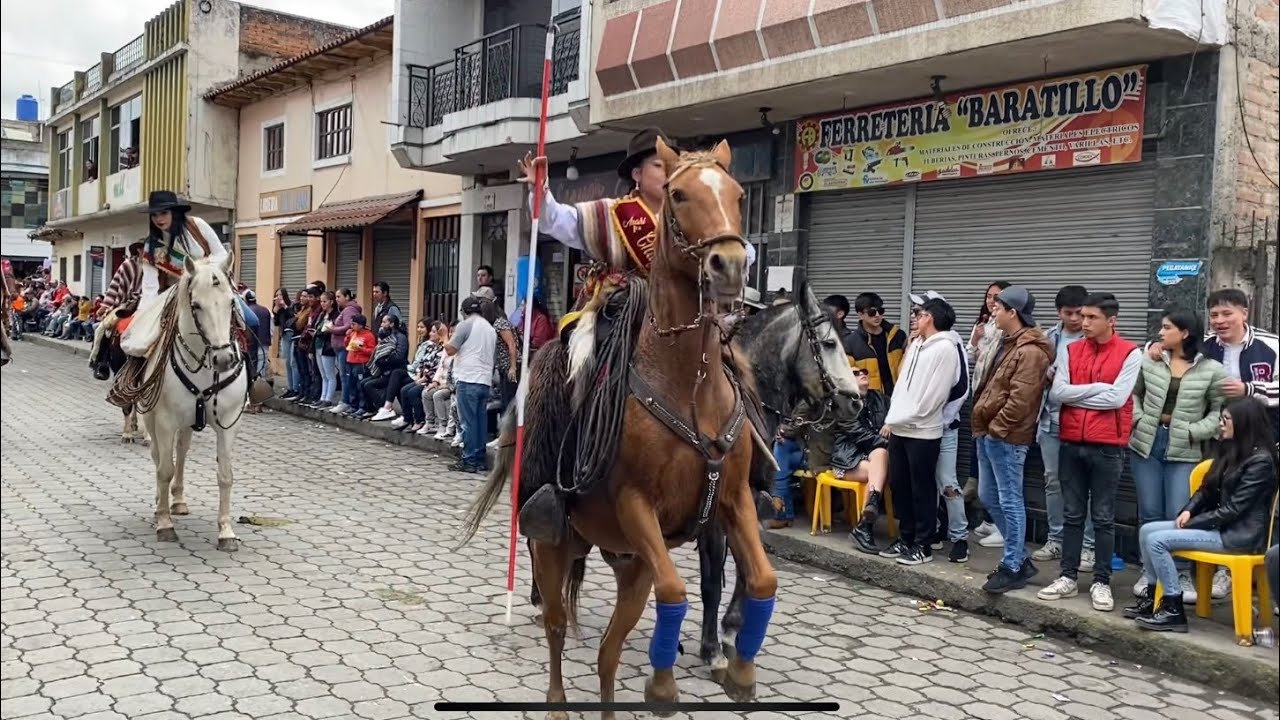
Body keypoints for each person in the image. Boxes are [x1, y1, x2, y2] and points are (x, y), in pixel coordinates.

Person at [1124, 398, 1277, 632]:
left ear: (1243, 424)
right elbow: (1206, 489)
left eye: (1226, 420)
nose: (1221, 425)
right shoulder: (1231, 450)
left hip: (1237, 537)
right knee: (1147, 531)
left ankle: (1173, 608)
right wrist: (1188, 510)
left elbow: (1234, 510)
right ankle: (1153, 599)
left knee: (1158, 541)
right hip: (1219, 527)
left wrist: (1194, 523)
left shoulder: (1261, 462)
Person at [1039, 293, 1141, 612]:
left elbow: (1118, 399)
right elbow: (1058, 393)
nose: (1084, 323)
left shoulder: (1130, 353)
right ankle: (1067, 576)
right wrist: (1098, 389)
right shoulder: (1071, 350)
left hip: (1108, 445)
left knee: (1103, 516)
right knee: (1072, 514)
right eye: (1082, 316)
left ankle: (1101, 581)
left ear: (1111, 320)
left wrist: (1079, 396)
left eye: (1092, 317)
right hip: (1071, 440)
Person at [1129, 308, 1226, 601]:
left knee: (1178, 514)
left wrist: (1192, 431)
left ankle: (1181, 572)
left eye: (1167, 327)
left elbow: (1218, 412)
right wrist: (1138, 420)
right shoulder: (1151, 361)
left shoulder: (1211, 369)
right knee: (1149, 512)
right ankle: (1150, 573)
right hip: (1147, 444)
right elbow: (1133, 394)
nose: (1160, 332)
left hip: (1184, 450)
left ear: (1185, 333)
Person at [971, 287, 1054, 593]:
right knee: (989, 495)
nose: (993, 310)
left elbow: (1022, 400)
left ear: (1013, 313)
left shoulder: (1030, 351)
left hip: (1005, 437)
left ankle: (1012, 566)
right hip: (987, 432)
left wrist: (998, 428)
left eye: (999, 306)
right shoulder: (1005, 342)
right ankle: (1019, 557)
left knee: (1009, 500)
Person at [880, 296, 961, 565]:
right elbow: (902, 385)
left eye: (919, 313)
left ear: (931, 318)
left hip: (923, 431)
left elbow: (935, 396)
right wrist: (893, 418)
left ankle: (923, 544)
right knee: (899, 485)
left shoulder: (946, 348)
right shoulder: (916, 344)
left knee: (922, 489)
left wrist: (907, 416)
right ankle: (906, 538)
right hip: (900, 427)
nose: (914, 317)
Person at [1032, 285, 1094, 569]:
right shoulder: (1048, 338)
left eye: (1080, 314)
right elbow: (1033, 379)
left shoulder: (1095, 338)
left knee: (1086, 485)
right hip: (1050, 420)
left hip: (1083, 422)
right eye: (1069, 313)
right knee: (1053, 481)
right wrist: (1045, 376)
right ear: (1059, 312)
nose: (1075, 320)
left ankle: (1088, 545)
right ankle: (1056, 540)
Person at [836, 367, 890, 552]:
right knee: (879, 464)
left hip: (874, 457)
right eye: (856, 373)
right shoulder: (843, 404)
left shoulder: (879, 399)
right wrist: (885, 442)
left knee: (880, 456)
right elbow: (858, 434)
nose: (862, 374)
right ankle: (865, 523)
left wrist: (890, 423)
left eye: (864, 371)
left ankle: (865, 523)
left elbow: (896, 413)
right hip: (847, 459)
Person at [446, 296, 497, 473]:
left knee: (468, 422)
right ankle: (480, 459)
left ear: (464, 312)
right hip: (484, 380)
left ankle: (468, 460)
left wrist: (445, 337)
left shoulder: (465, 325)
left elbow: (451, 349)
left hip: (468, 378)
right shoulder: (490, 329)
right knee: (480, 422)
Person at [326, 288, 363, 415]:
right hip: (340, 347)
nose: (337, 299)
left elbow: (348, 327)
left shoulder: (349, 310)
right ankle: (346, 401)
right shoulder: (346, 310)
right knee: (344, 375)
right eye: (336, 297)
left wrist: (333, 329)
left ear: (347, 297)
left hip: (344, 347)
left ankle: (345, 401)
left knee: (345, 375)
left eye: (339, 296)